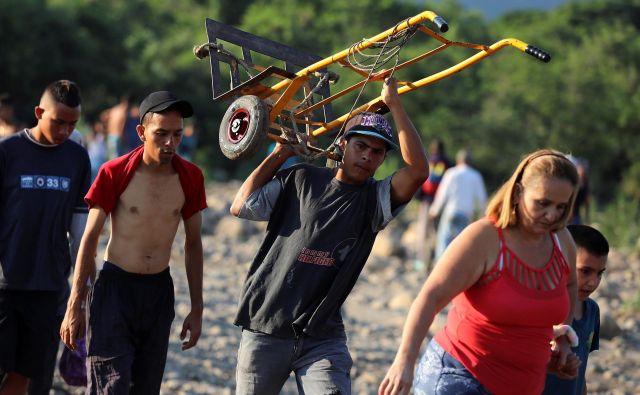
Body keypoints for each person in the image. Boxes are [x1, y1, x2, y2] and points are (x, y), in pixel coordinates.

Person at [230, 77, 429, 395]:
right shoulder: (301, 179)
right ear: (342, 144)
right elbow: (241, 205)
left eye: (377, 152)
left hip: (322, 335)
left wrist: (394, 103)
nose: (368, 156)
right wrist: (281, 153)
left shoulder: (375, 201)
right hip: (266, 324)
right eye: (361, 146)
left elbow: (418, 171)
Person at [379, 148, 581, 395]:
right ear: (518, 193)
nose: (552, 215)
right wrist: (405, 361)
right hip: (459, 377)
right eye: (542, 203)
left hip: (525, 385)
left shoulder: (562, 240)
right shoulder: (485, 238)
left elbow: (570, 285)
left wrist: (562, 339)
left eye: (562, 207)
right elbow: (430, 296)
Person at [59, 90, 207, 394]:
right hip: (115, 289)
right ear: (141, 132)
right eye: (161, 134)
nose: (171, 143)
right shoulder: (114, 172)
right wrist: (75, 302)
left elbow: (192, 244)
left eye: (177, 135)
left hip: (158, 292)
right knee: (109, 387)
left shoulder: (190, 177)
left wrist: (197, 307)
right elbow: (90, 238)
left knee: (146, 387)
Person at [0, 80, 91, 395]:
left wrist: (82, 287)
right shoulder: (7, 152)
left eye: (72, 124)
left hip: (49, 285)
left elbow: (81, 228)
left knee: (27, 376)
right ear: (39, 112)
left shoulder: (77, 159)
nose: (65, 130)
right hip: (5, 285)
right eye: (59, 122)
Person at [543, 224, 608, 395]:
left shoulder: (592, 311)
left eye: (600, 273)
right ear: (562, 261)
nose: (593, 282)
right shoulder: (541, 308)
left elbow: (581, 371)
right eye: (585, 271)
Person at [429, 149, 487, 260]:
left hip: (451, 212)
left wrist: (434, 210)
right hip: (466, 215)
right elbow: (481, 199)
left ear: (458, 160)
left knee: (444, 243)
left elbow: (442, 194)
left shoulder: (451, 173)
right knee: (461, 247)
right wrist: (482, 215)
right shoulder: (476, 176)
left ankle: (440, 268)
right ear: (470, 162)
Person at [413, 139, 452, 270]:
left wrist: (419, 197)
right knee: (439, 232)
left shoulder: (428, 160)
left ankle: (421, 262)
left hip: (426, 202)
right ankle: (436, 260)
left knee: (423, 232)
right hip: (442, 203)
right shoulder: (448, 163)